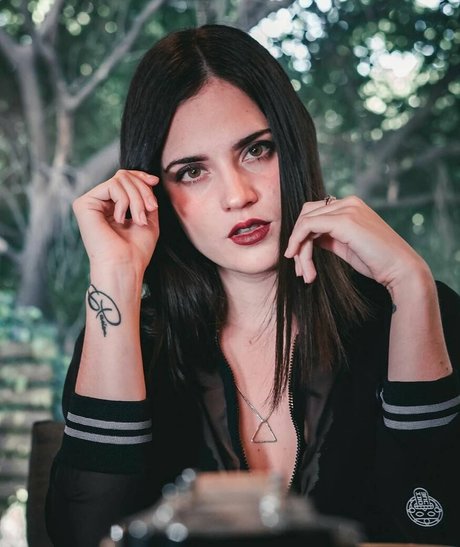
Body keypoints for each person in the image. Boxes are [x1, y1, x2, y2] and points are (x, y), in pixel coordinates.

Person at [46, 24, 460, 547]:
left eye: (257, 150)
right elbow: (83, 536)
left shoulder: (412, 313)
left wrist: (413, 285)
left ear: (294, 145)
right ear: (156, 192)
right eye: (192, 171)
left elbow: (436, 526)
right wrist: (115, 273)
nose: (237, 195)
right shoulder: (133, 342)